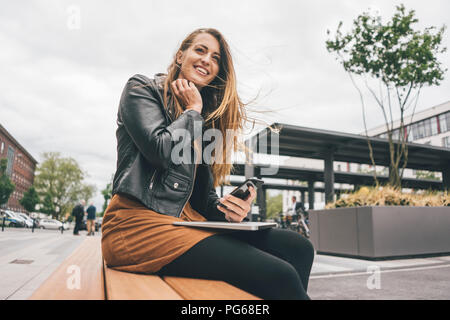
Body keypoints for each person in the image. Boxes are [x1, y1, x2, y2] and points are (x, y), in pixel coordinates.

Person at [101, 28, 315, 300]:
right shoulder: (142, 89)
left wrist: (229, 211)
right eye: (200, 50)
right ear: (180, 55)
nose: (206, 60)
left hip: (185, 224)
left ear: (218, 72)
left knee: (298, 248)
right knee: (279, 275)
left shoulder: (203, 120)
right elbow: (160, 151)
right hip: (136, 227)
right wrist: (192, 111)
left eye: (215, 58)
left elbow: (203, 200)